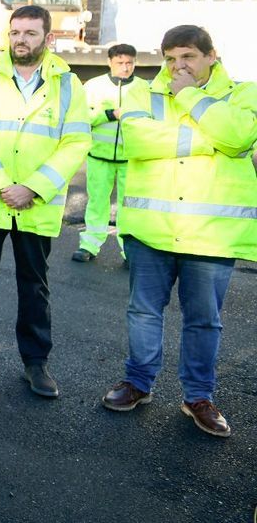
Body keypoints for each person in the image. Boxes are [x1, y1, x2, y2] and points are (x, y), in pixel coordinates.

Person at [101, 25, 257, 438]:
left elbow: (240, 136)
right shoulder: (143, 93)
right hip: (151, 230)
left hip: (211, 234)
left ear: (211, 56)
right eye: (170, 59)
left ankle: (198, 397)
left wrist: (189, 96)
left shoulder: (243, 93)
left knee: (204, 320)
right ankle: (138, 382)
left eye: (187, 56)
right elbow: (135, 141)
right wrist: (211, 140)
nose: (177, 66)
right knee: (143, 312)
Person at [0, 5, 91, 398]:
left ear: (48, 38)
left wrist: (33, 187)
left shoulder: (68, 85)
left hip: (35, 204)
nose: (20, 40)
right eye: (15, 33)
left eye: (30, 33)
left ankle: (36, 363)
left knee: (34, 285)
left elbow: (76, 141)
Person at [73, 43, 149, 264]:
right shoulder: (94, 86)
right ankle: (89, 245)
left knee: (129, 206)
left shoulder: (144, 88)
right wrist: (109, 114)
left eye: (129, 63)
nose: (125, 68)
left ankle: (129, 252)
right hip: (99, 156)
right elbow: (81, 118)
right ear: (109, 62)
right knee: (97, 202)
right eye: (120, 63)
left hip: (131, 158)